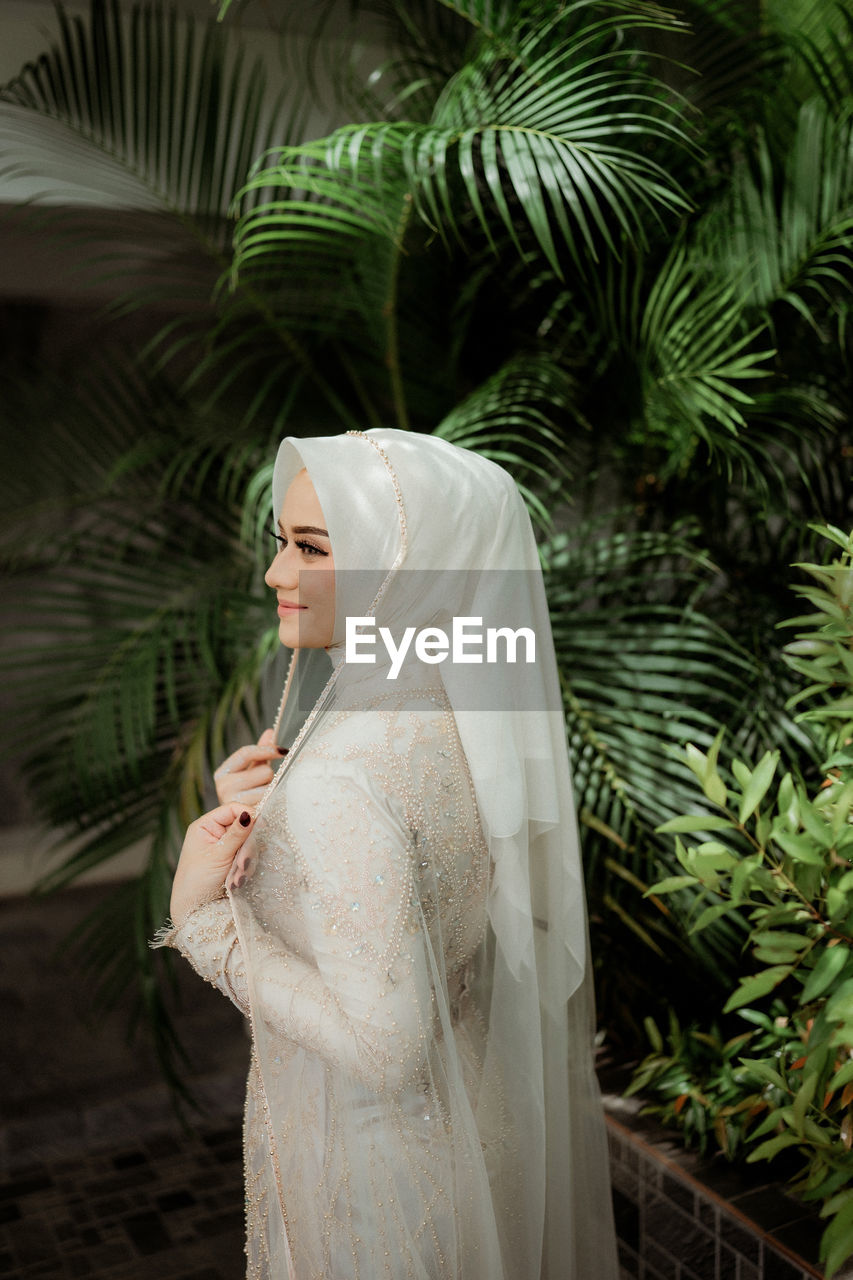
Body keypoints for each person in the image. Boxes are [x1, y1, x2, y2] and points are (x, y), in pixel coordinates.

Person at [154, 429, 619, 1279]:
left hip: (375, 1179)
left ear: (400, 568)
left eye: (311, 548)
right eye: (281, 544)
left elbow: (386, 1048)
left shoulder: (346, 775)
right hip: (474, 1130)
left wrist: (202, 923)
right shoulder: (467, 718)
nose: (275, 575)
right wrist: (282, 813)